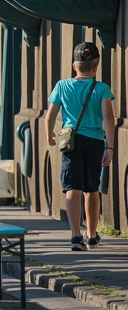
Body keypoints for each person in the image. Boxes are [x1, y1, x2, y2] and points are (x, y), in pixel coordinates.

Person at [45, 42, 115, 251]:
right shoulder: (102, 88)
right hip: (95, 142)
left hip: (71, 142)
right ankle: (92, 235)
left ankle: (75, 236)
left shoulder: (62, 86)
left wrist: (50, 135)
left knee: (72, 187)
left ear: (74, 66)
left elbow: (50, 116)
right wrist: (110, 147)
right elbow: (108, 118)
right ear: (96, 67)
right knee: (92, 188)